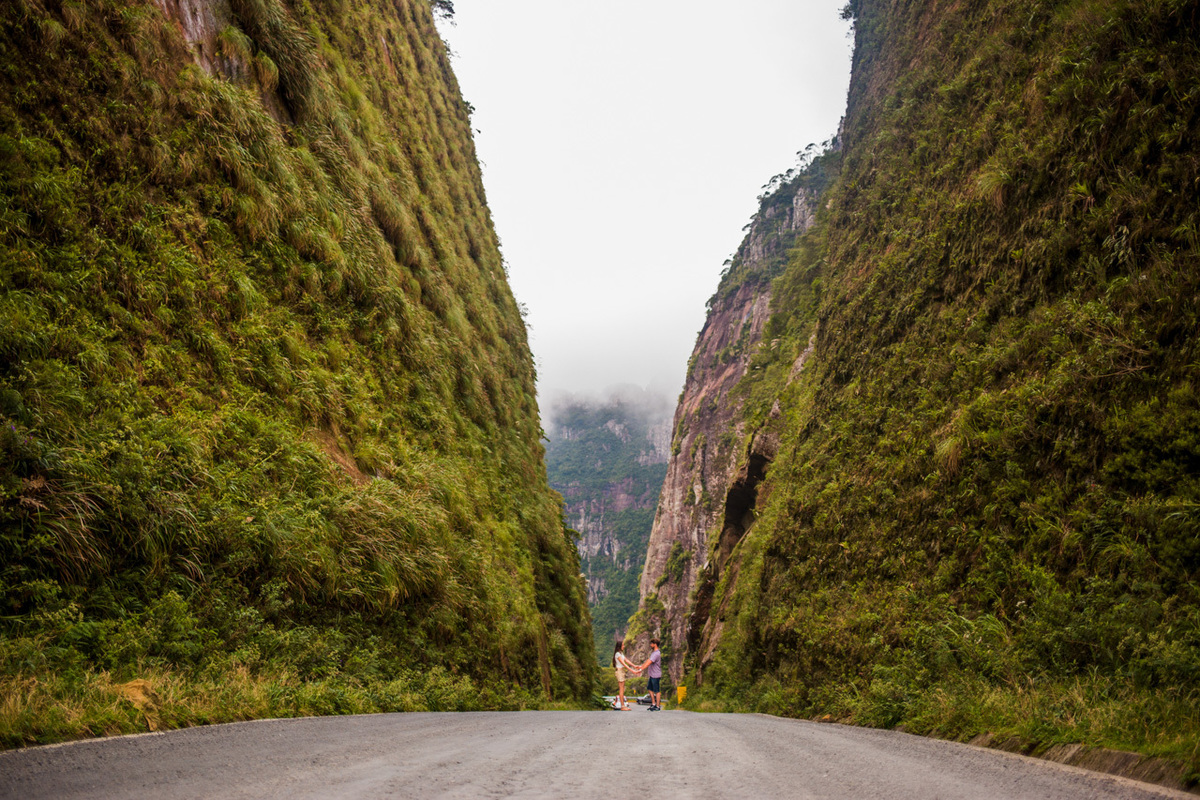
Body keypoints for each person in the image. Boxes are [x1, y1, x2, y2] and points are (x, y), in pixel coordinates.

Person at [635, 639, 663, 711]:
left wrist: (641, 670)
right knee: (650, 689)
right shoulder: (653, 653)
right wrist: (641, 666)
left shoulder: (657, 653)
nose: (650, 645)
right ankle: (653, 704)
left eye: (651, 644)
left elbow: (649, 662)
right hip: (652, 674)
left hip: (656, 675)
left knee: (657, 690)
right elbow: (648, 660)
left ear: (655, 644)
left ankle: (657, 706)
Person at [611, 641, 639, 710]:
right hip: (619, 671)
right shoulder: (617, 654)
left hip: (622, 671)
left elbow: (627, 660)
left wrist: (635, 666)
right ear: (619, 646)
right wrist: (633, 671)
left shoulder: (621, 653)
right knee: (621, 689)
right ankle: (623, 706)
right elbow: (624, 664)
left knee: (622, 688)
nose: (624, 646)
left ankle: (623, 705)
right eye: (623, 645)